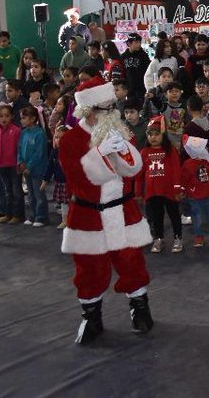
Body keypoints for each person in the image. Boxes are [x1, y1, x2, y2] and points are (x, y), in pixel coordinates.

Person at [59, 76, 153, 345]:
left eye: (114, 106)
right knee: (89, 267)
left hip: (123, 210)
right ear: (87, 110)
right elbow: (79, 181)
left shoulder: (118, 130)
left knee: (132, 261)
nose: (112, 112)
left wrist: (126, 152)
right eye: (106, 108)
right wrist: (98, 154)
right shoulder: (71, 140)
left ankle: (140, 307)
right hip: (89, 215)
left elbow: (133, 170)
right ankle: (91, 316)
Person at [137, 117, 183, 254]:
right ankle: (159, 238)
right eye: (150, 134)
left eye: (156, 134)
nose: (153, 137)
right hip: (152, 192)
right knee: (156, 217)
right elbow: (139, 174)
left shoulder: (170, 151)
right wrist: (137, 192)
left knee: (174, 215)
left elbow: (176, 170)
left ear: (163, 135)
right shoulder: (144, 152)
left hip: (169, 191)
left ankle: (178, 238)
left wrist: (177, 188)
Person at [17, 106, 50, 226]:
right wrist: (20, 163)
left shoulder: (40, 133)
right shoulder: (23, 133)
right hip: (26, 169)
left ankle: (41, 217)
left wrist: (29, 166)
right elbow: (19, 149)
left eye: (24, 118)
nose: (21, 120)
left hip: (37, 169)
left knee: (38, 193)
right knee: (30, 194)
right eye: (21, 118)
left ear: (33, 118)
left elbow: (39, 153)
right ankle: (32, 215)